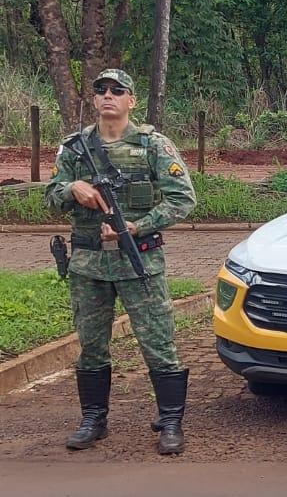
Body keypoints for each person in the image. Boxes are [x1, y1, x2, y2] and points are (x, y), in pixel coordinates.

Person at [45, 68, 197, 455]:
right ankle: (93, 419)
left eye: (118, 90)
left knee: (158, 343)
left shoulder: (154, 145)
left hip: (138, 262)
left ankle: (171, 421)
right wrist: (71, 187)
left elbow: (183, 199)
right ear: (94, 100)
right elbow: (50, 195)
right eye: (101, 90)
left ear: (131, 100)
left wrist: (138, 226)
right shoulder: (74, 147)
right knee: (91, 345)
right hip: (87, 265)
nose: (108, 95)